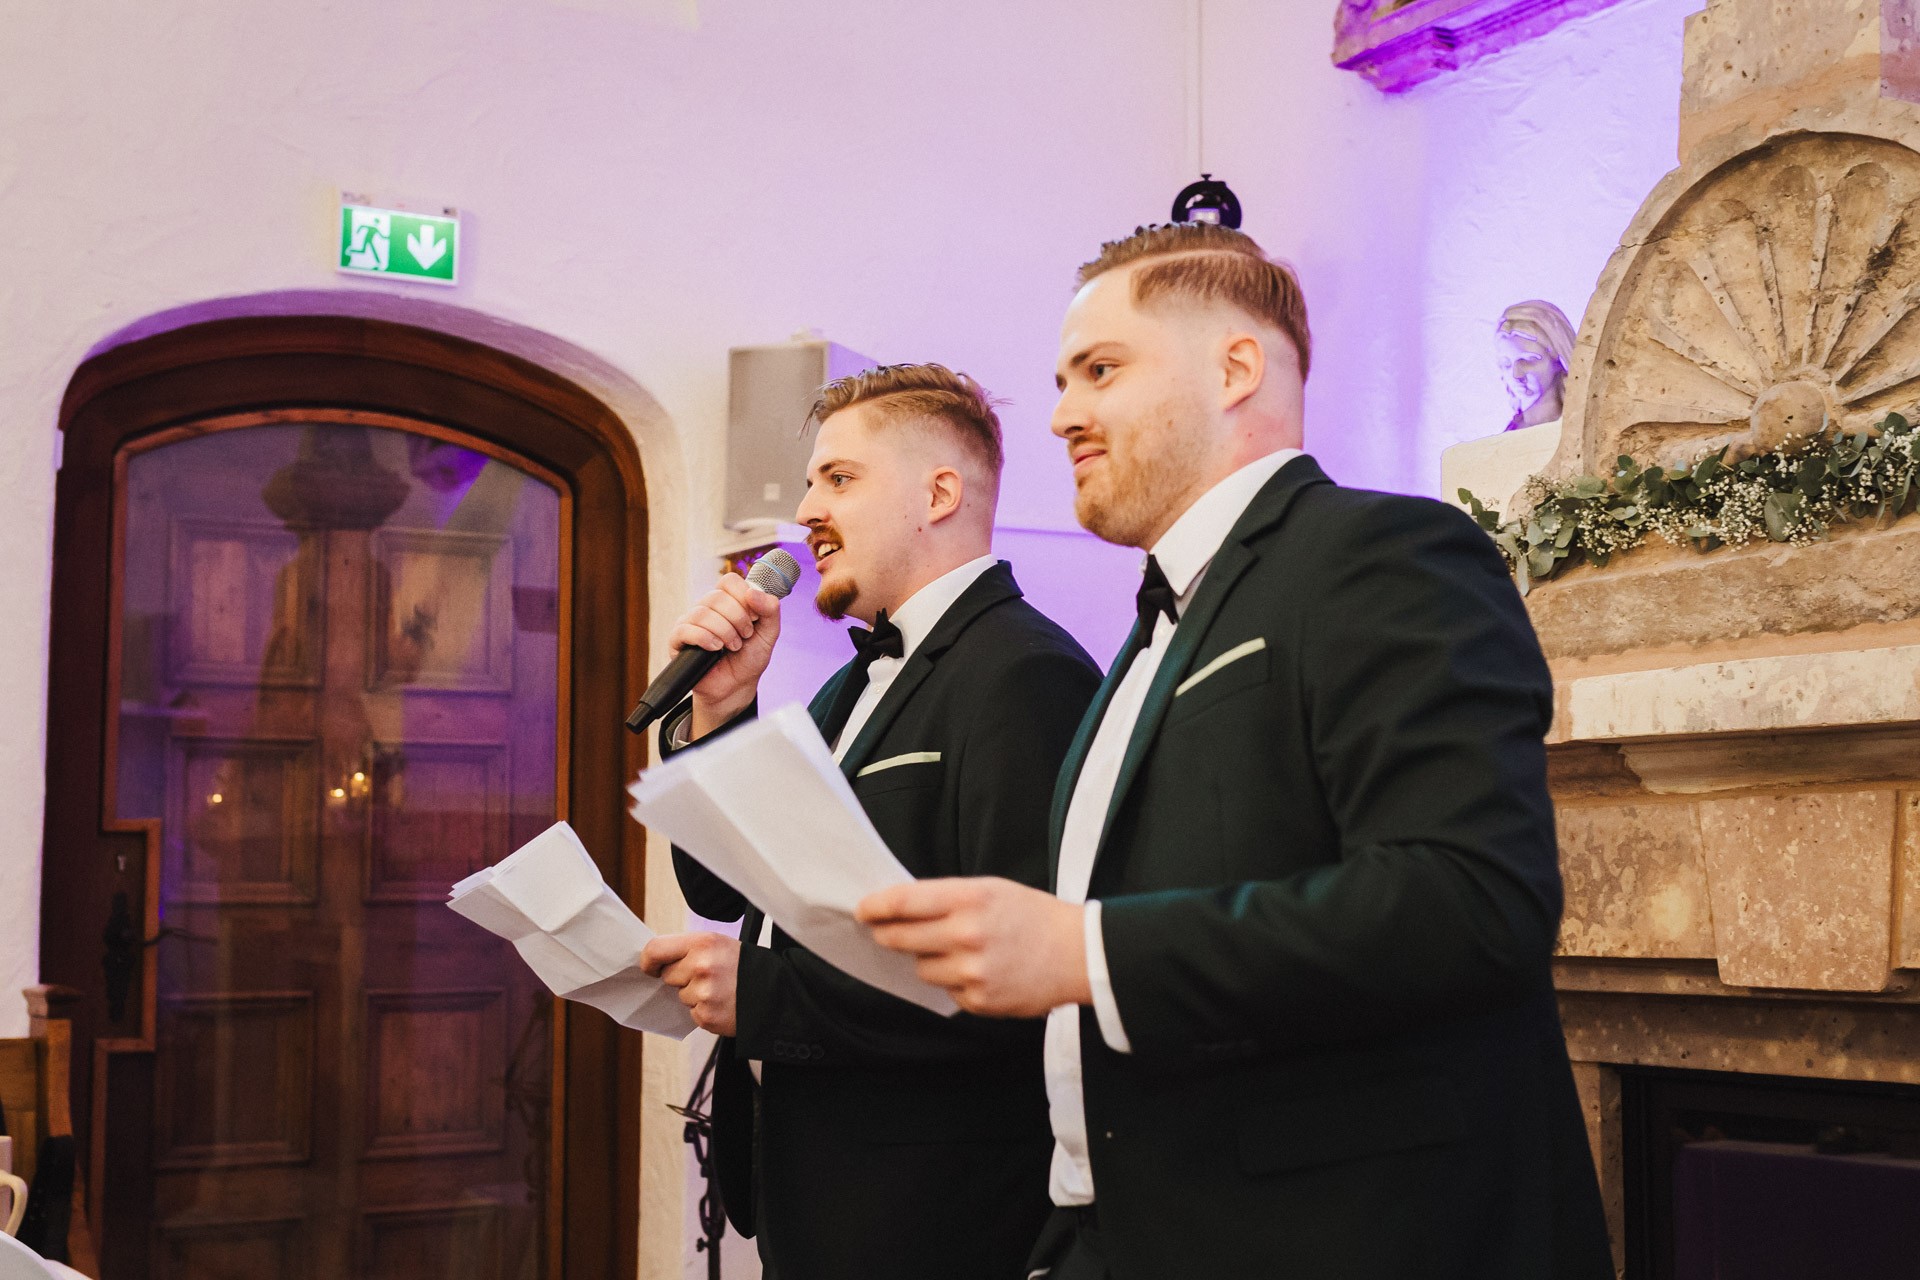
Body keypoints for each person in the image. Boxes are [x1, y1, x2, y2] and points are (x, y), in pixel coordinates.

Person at [857, 226, 1614, 1280]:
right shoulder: (1149, 633)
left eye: (1101, 371)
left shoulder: (1385, 553)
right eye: (1063, 381)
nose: (1065, 414)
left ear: (1236, 367)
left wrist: (1090, 951)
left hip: (1329, 1237)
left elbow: (1471, 898)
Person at [640, 363, 1102, 1280]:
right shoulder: (851, 684)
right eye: (813, 480)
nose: (807, 507)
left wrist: (766, 998)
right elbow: (723, 889)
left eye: (839, 479)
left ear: (939, 492)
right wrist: (722, 714)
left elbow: (1016, 986)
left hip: (934, 1213)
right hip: (814, 1194)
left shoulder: (1024, 674)